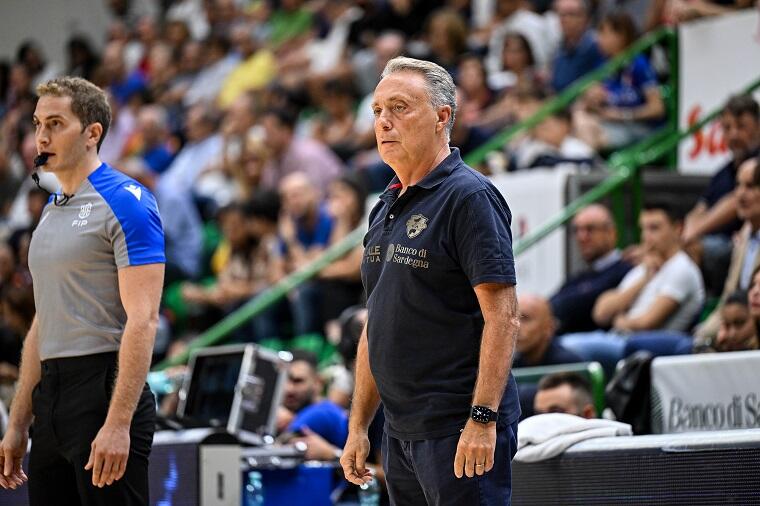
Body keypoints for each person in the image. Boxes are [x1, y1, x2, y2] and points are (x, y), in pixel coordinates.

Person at [340, 57, 521, 505]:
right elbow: (376, 323)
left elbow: (503, 317)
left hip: (458, 427)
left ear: (442, 117)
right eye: (378, 110)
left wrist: (482, 419)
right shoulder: (384, 206)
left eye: (399, 108)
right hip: (400, 431)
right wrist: (359, 426)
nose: (384, 121)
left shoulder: (469, 196)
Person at [0, 77, 165, 505]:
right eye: (38, 123)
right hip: (51, 395)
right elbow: (45, 318)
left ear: (92, 133)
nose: (41, 136)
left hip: (103, 386)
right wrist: (18, 421)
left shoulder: (127, 200)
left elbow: (144, 319)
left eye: (56, 124)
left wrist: (119, 422)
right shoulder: (52, 207)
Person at [550, 204, 632, 335]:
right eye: (577, 230)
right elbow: (551, 305)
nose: (582, 237)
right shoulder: (580, 275)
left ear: (611, 233)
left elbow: (575, 305)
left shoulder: (627, 270)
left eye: (590, 229)